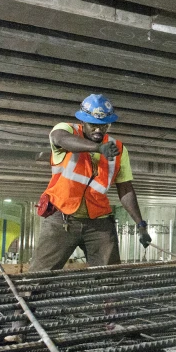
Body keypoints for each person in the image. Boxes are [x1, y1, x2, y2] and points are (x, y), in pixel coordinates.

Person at [30, 93, 152, 271]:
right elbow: (60, 138)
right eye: (93, 125)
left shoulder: (118, 149)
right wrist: (98, 148)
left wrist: (141, 224)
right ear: (83, 121)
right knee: (37, 279)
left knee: (109, 280)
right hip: (62, 218)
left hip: (99, 222)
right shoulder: (67, 130)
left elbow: (125, 188)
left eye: (104, 126)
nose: (98, 130)